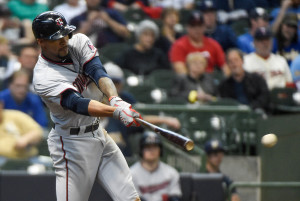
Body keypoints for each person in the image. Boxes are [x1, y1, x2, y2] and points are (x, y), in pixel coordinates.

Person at [32, 11, 141, 201]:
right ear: (41, 41)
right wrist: (115, 112)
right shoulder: (43, 77)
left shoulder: (79, 41)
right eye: (56, 38)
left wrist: (116, 100)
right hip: (71, 146)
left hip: (99, 134)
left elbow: (97, 71)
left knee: (130, 198)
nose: (64, 40)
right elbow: (78, 104)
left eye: (65, 34)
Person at [103, 62, 181, 157]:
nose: (114, 86)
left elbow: (139, 119)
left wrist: (165, 119)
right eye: (110, 83)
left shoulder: (125, 99)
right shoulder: (91, 99)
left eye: (116, 82)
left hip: (121, 157)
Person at [169, 11, 227, 75]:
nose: (197, 29)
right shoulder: (179, 45)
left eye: (199, 25)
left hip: (210, 80)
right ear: (188, 28)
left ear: (204, 27)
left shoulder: (213, 44)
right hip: (189, 81)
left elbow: (224, 66)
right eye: (193, 26)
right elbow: (180, 70)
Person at [130, 131, 182, 201]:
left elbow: (175, 197)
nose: (152, 150)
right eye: (148, 147)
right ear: (141, 150)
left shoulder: (171, 173)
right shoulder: (131, 174)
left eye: (155, 146)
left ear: (160, 150)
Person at [218, 48, 270, 113]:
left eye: (236, 60)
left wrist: (250, 107)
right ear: (228, 65)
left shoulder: (257, 79)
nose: (234, 64)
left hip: (254, 113)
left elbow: (264, 97)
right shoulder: (224, 85)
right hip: (234, 115)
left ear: (242, 61)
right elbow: (224, 104)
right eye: (230, 61)